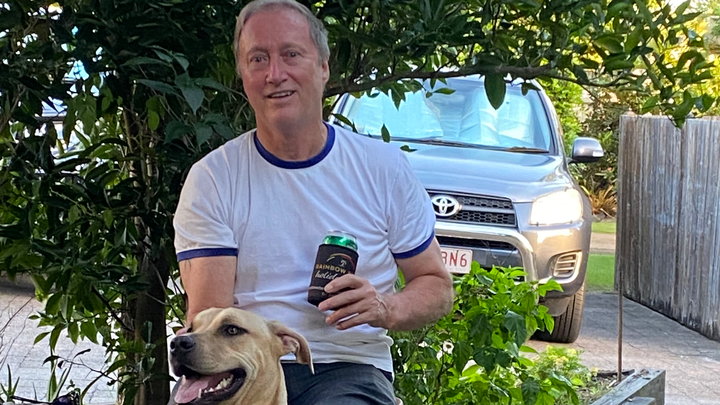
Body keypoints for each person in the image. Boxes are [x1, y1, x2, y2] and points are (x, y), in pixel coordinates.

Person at [172, 0, 454, 403]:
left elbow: (436, 285)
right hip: (242, 367)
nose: (275, 74)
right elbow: (208, 316)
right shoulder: (213, 178)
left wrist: (384, 308)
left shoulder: (383, 168)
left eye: (291, 54)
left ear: (323, 67)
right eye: (258, 59)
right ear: (243, 76)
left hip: (348, 366)